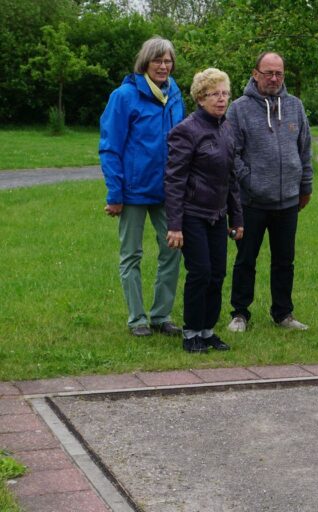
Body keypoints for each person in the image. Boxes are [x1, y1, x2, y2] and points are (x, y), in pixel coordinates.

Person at [99, 37, 185, 337]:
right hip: (133, 192)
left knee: (172, 251)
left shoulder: (175, 95)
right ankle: (137, 320)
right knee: (131, 255)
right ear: (145, 63)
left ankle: (161, 316)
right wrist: (115, 193)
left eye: (168, 60)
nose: (163, 66)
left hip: (168, 191)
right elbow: (110, 147)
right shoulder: (123, 97)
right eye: (157, 60)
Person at [226, 51, 313, 333]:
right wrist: (248, 178)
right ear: (255, 74)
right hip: (250, 201)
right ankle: (239, 313)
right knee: (245, 260)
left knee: (284, 261)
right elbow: (232, 153)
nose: (274, 78)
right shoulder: (238, 109)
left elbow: (305, 149)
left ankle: (283, 314)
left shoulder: (295, 107)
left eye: (279, 73)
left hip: (287, 200)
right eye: (268, 73)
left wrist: (305, 186)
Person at [164, 68, 244, 353]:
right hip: (192, 214)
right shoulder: (185, 131)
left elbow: (231, 178)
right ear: (200, 98)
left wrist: (237, 218)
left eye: (225, 94)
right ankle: (191, 333)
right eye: (214, 94)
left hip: (217, 214)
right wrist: (174, 225)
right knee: (200, 272)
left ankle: (208, 330)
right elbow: (174, 180)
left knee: (217, 273)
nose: (221, 99)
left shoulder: (227, 128)